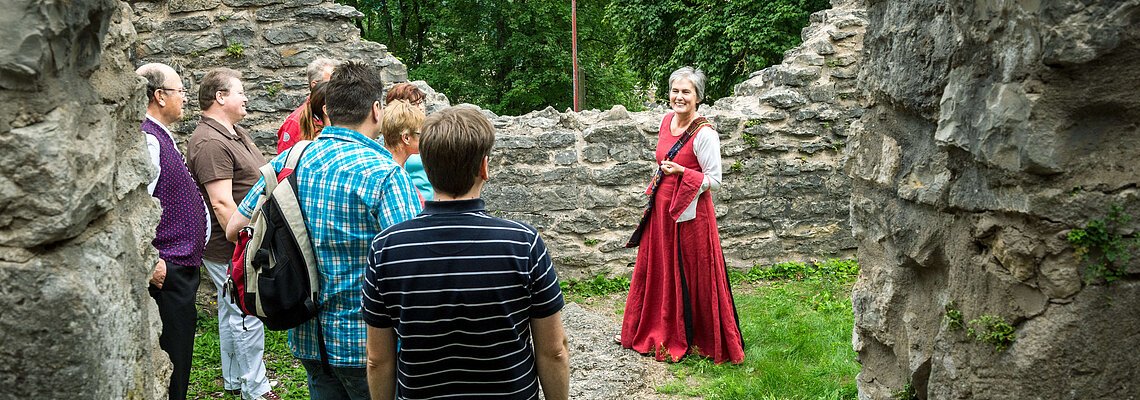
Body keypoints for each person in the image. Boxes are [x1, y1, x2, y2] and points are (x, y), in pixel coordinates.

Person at [227, 61, 422, 400]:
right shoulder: (385, 175)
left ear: (328, 108)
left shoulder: (288, 161)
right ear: (377, 110)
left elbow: (235, 228)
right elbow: (413, 268)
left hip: (308, 336)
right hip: (370, 347)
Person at [362, 106, 570, 400]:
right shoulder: (523, 243)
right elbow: (554, 350)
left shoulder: (387, 248)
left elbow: (378, 359)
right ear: (484, 168)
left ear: (426, 168)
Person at [618, 66, 745, 364]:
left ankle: (694, 335)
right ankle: (654, 328)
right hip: (662, 212)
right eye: (675, 90)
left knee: (691, 272)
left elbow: (714, 180)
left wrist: (683, 172)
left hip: (691, 215)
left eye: (686, 92)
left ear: (698, 97)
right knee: (659, 269)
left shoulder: (705, 134)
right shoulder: (665, 122)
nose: (679, 96)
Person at [186, 68, 279, 400]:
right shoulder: (210, 141)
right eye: (240, 92)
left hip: (238, 243)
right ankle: (256, 388)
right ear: (220, 97)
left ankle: (235, 379)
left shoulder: (233, 133)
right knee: (246, 314)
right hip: (233, 246)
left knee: (231, 311)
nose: (246, 98)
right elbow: (223, 203)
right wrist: (250, 245)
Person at [136, 62, 211, 399]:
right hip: (168, 270)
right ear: (160, 96)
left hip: (179, 265)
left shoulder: (160, 134)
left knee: (180, 353)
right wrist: (151, 259)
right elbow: (138, 205)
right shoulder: (148, 140)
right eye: (180, 90)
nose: (184, 98)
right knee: (173, 356)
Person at [277, 57, 340, 153]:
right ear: (315, 84)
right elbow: (284, 163)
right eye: (331, 82)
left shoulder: (342, 113)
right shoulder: (295, 121)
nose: (338, 86)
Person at [384, 83, 433, 201]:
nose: (420, 107)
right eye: (413, 104)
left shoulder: (432, 135)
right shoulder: (389, 143)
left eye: (421, 102)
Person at [378, 100, 424, 169]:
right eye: (421, 134)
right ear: (406, 138)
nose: (424, 138)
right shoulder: (394, 173)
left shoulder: (380, 162)